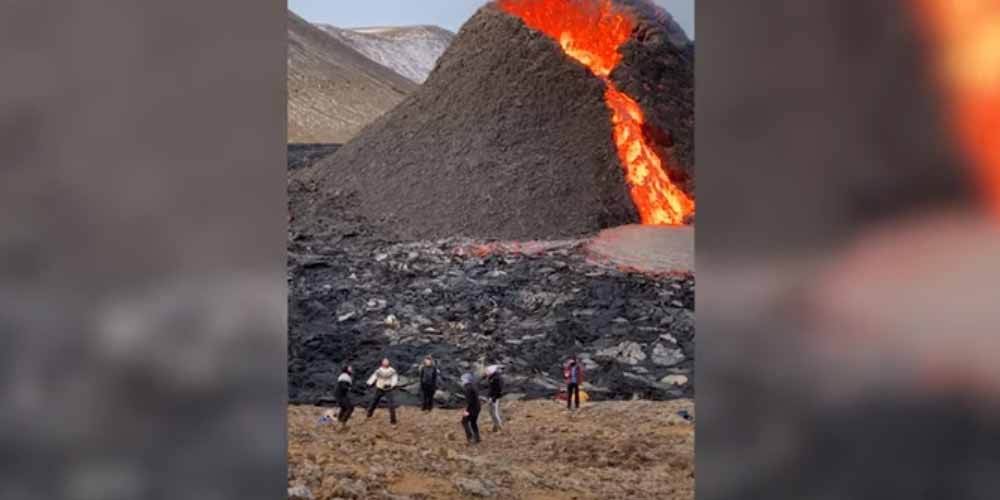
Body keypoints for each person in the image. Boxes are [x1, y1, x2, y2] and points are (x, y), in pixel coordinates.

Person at [366, 358, 399, 424]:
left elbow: (395, 378)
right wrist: (369, 382)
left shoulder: (392, 370)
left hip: (388, 389)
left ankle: (393, 421)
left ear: (388, 363)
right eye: (384, 361)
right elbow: (374, 376)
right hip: (379, 388)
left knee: (391, 405)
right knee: (374, 402)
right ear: (382, 363)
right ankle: (369, 414)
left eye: (387, 361)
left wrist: (393, 384)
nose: (386, 363)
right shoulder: (378, 371)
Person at [460, 373, 481, 445]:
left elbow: (469, 401)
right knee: (473, 422)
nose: (462, 381)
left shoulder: (467, 388)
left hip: (472, 408)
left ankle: (470, 437)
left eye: (463, 379)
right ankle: (477, 437)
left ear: (466, 380)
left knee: (464, 421)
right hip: (477, 407)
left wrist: (466, 411)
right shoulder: (473, 386)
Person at [484, 365, 504, 432]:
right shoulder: (492, 377)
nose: (486, 373)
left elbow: (498, 390)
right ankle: (495, 426)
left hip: (494, 398)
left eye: (487, 371)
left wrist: (493, 398)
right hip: (491, 397)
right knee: (492, 412)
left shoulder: (496, 379)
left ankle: (499, 427)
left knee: (494, 413)